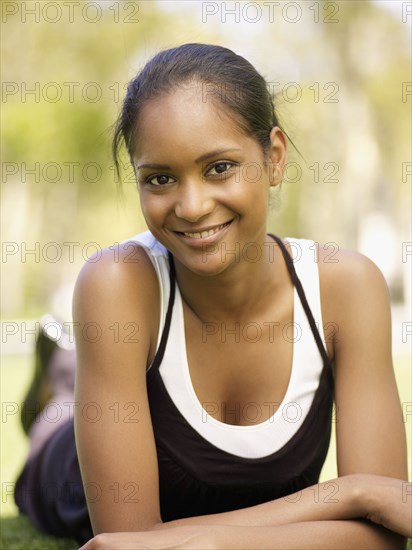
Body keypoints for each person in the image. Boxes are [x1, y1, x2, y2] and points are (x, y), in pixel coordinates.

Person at [15, 43, 411, 549]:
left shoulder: (347, 288)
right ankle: (57, 396)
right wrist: (352, 494)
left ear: (274, 157)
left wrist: (206, 543)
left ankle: (67, 373)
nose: (193, 205)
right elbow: (125, 541)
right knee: (54, 432)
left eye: (219, 167)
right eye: (160, 179)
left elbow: (385, 535)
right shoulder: (116, 284)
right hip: (65, 476)